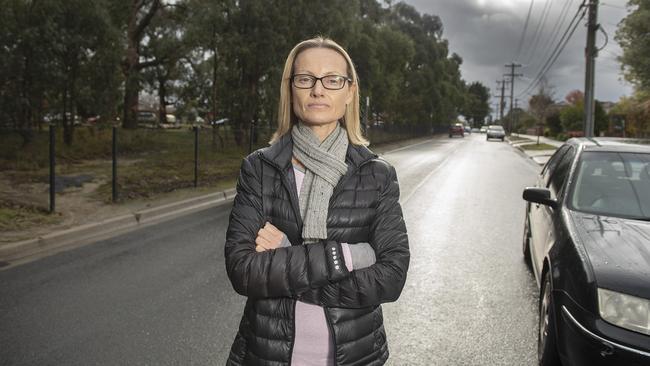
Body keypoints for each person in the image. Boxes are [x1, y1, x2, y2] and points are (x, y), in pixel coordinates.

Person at [224, 36, 410, 366]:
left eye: (332, 80)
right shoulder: (260, 168)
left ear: (350, 92)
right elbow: (243, 271)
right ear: (291, 88)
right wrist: (347, 255)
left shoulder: (376, 174)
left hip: (357, 355)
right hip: (266, 355)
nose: (318, 90)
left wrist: (286, 254)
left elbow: (392, 277)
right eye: (305, 79)